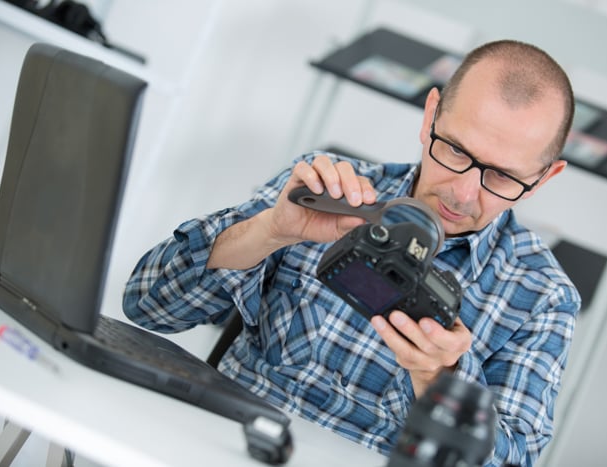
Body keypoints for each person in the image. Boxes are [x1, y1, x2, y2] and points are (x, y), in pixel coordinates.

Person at [123, 39, 580, 466]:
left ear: (544, 178)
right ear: (431, 116)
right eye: (456, 150)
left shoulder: (543, 297)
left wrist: (440, 382)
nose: (462, 193)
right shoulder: (330, 188)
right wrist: (270, 231)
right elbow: (147, 305)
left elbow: (512, 458)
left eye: (502, 178)